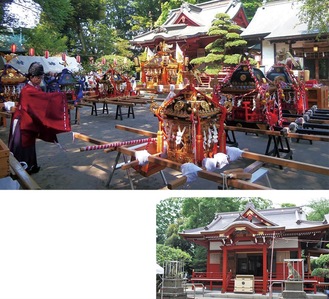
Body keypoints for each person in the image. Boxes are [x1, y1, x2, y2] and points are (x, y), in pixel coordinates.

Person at [8, 62, 71, 174]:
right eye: (38, 77)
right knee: (22, 145)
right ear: (31, 77)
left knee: (29, 145)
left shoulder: (34, 88)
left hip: (28, 122)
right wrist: (60, 96)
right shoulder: (28, 90)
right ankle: (21, 169)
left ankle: (31, 165)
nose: (40, 79)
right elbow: (44, 99)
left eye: (41, 77)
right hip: (22, 123)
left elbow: (42, 101)